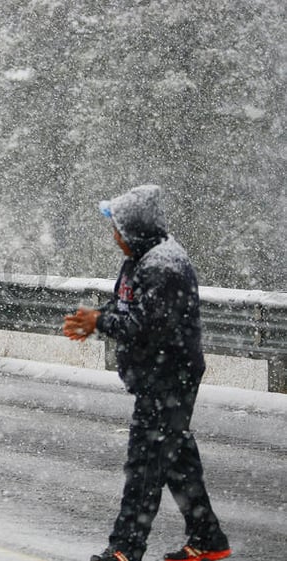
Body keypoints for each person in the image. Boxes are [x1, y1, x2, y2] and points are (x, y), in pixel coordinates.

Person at [63, 185, 231, 561]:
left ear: (136, 229)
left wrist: (101, 321)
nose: (115, 237)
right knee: (175, 458)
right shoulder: (142, 259)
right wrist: (97, 319)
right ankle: (208, 538)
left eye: (119, 229)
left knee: (144, 466)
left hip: (170, 376)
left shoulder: (163, 265)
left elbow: (149, 325)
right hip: (157, 377)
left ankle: (124, 550)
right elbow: (126, 304)